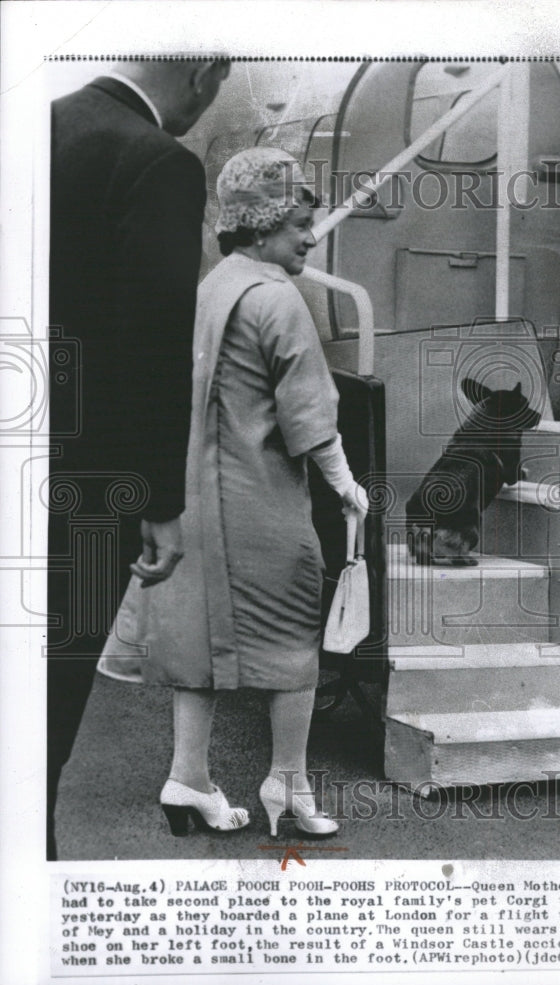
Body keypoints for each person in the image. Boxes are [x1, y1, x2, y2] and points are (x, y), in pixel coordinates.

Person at [99, 147, 368, 839]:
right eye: (301, 225)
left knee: (197, 642)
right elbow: (307, 410)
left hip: (195, 500)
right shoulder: (278, 296)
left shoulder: (213, 286)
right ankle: (290, 784)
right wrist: (345, 486)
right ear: (262, 226)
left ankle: (187, 779)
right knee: (292, 643)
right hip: (260, 502)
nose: (312, 237)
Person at [48, 59, 231, 860]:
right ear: (205, 70)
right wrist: (159, 499)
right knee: (43, 710)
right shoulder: (157, 161)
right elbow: (154, 344)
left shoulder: (36, 124)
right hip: (84, 490)